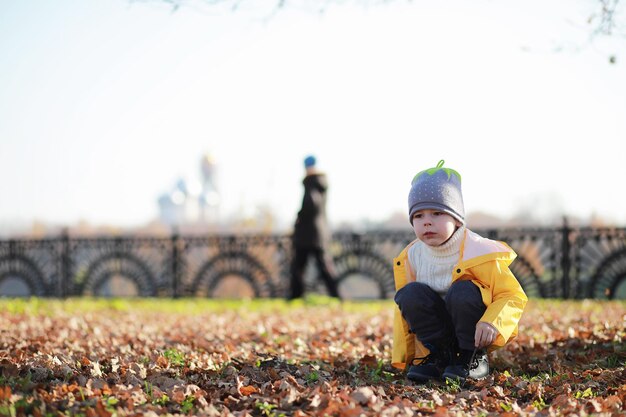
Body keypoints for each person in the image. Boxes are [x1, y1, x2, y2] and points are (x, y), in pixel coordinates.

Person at [391, 160, 527, 382]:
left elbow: (512, 295)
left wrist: (492, 321)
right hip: (439, 330)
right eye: (419, 216)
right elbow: (412, 310)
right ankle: (439, 356)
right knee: (410, 293)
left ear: (456, 218)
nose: (427, 222)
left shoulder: (478, 251)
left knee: (462, 290)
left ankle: (470, 357)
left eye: (437, 213)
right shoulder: (411, 256)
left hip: (473, 328)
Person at [288, 155, 341, 300]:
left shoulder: (311, 183)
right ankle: (336, 295)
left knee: (299, 267)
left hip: (308, 233)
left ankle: (295, 296)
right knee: (323, 266)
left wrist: (299, 218)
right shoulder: (321, 183)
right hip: (319, 231)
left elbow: (310, 205)